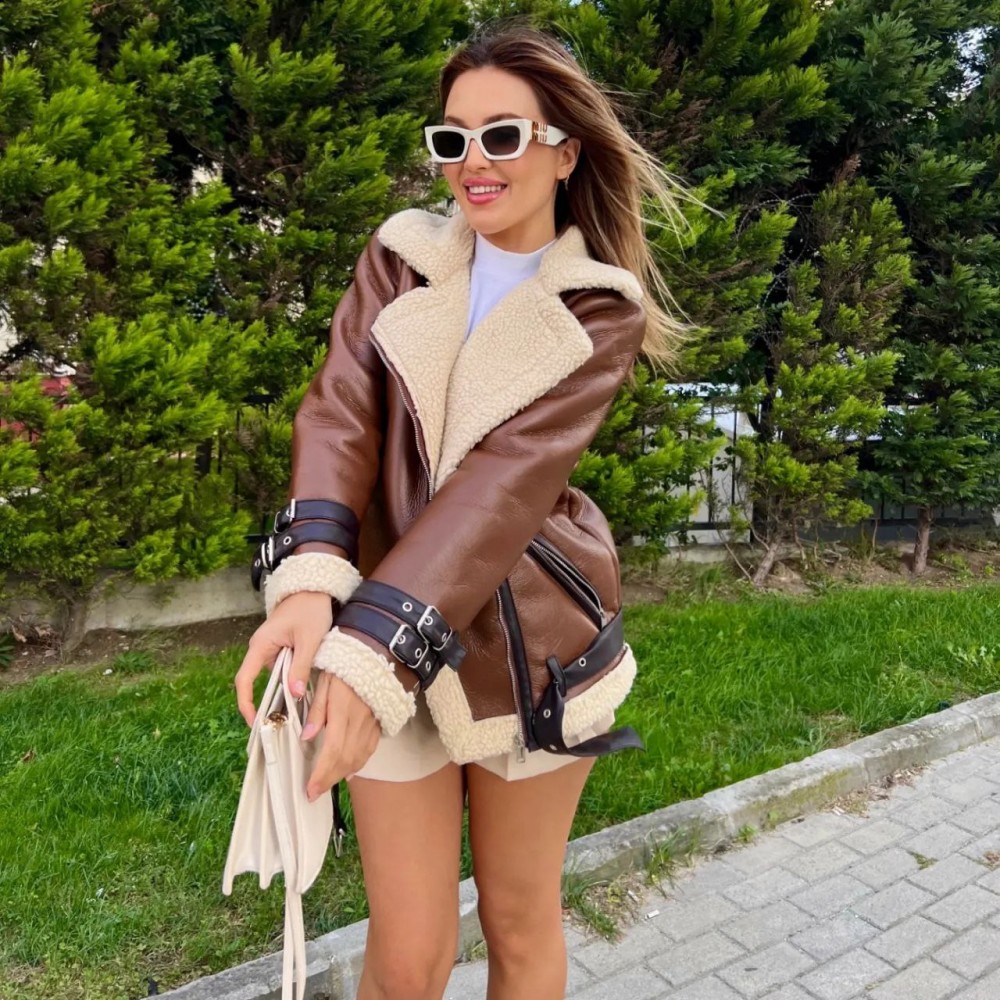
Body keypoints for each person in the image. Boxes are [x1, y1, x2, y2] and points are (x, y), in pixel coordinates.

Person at [235, 21, 689, 1000]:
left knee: (519, 923)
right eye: (453, 139)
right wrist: (309, 578)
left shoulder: (599, 306)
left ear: (565, 151)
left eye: (503, 135)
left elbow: (502, 487)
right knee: (408, 957)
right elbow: (341, 411)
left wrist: (369, 648)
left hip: (528, 657)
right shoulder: (399, 255)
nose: (473, 163)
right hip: (380, 629)